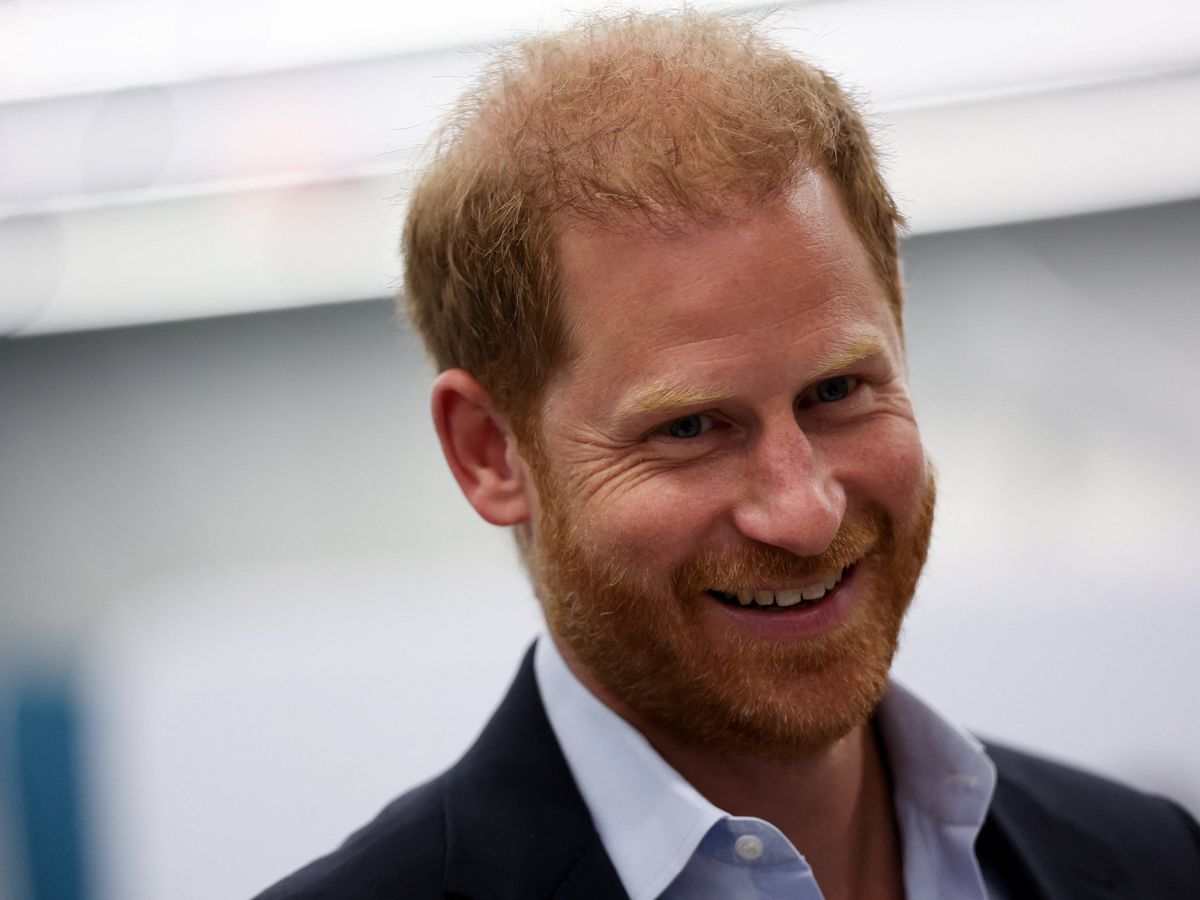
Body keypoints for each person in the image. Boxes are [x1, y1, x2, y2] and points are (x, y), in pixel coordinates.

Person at [257, 11, 1200, 899]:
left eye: (837, 393)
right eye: (690, 428)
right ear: (490, 452)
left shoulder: (1149, 861)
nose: (806, 511)